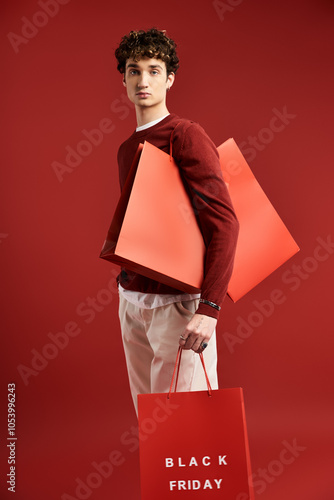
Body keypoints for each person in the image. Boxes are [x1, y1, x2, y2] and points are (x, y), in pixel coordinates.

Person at [113, 28, 239, 414]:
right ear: (124, 79)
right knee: (152, 425)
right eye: (134, 71)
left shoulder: (184, 135)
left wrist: (210, 309)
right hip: (133, 302)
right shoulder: (127, 147)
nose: (143, 80)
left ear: (170, 79)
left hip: (180, 305)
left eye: (154, 70)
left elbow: (225, 223)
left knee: (189, 421)